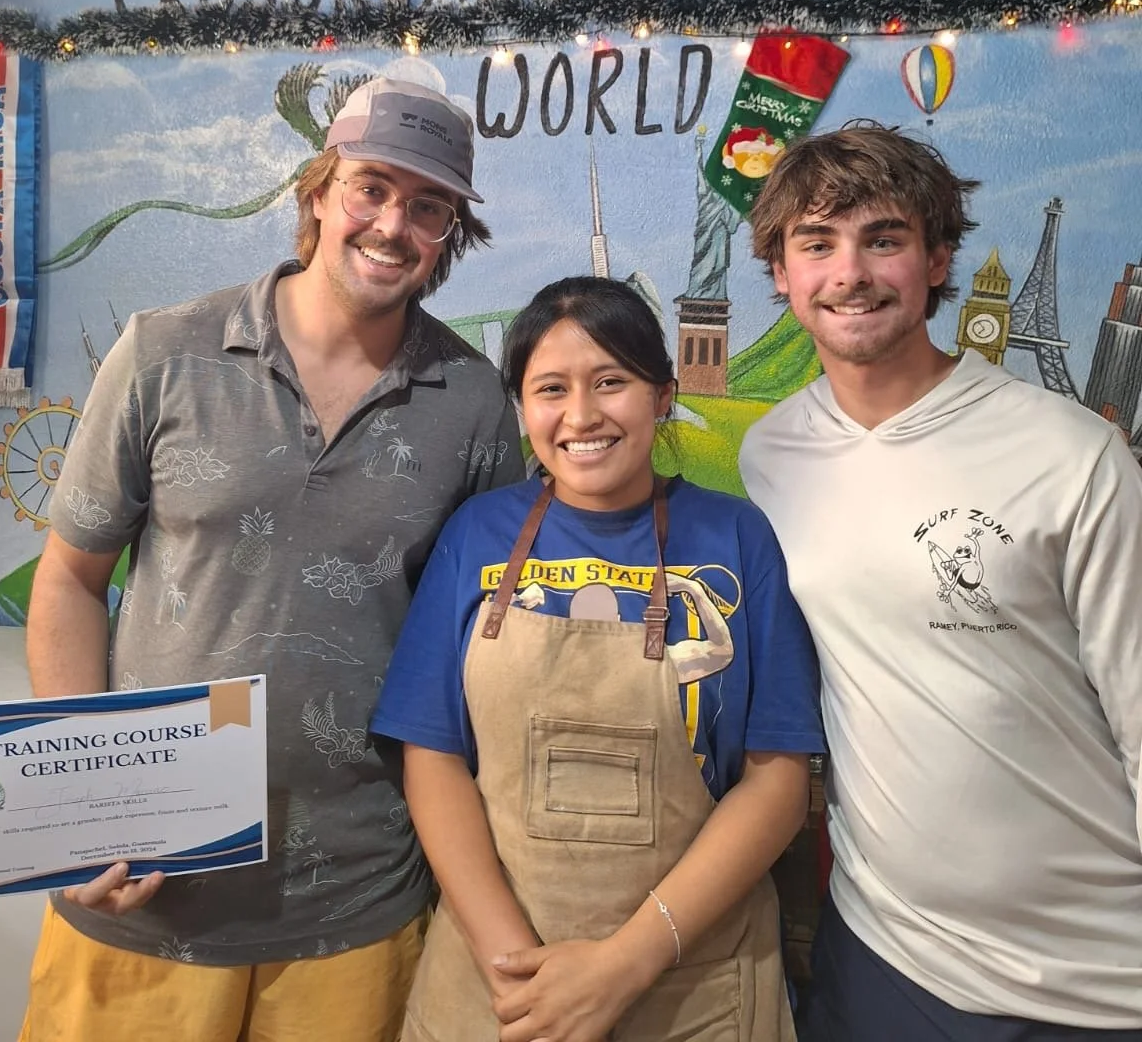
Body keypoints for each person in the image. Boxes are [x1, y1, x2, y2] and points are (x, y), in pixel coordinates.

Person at [19, 76, 525, 1042]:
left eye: (428, 208)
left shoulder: (473, 403)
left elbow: (477, 652)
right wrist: (88, 810)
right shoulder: (165, 353)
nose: (392, 225)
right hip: (145, 892)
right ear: (321, 192)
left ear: (449, 235)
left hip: (358, 906)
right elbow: (69, 580)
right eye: (372, 188)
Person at [739, 122, 1142, 1040]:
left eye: (882, 238)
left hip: (1097, 980)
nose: (851, 272)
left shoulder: (1073, 455)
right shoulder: (770, 456)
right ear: (780, 274)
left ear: (937, 260)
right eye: (817, 244)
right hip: (885, 957)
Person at [372, 274, 825, 1042]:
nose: (581, 415)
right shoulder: (475, 536)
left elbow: (776, 782)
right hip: (504, 990)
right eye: (551, 388)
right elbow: (433, 757)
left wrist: (626, 964)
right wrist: (518, 970)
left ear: (662, 394)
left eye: (611, 381)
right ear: (523, 406)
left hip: (694, 982)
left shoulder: (739, 540)